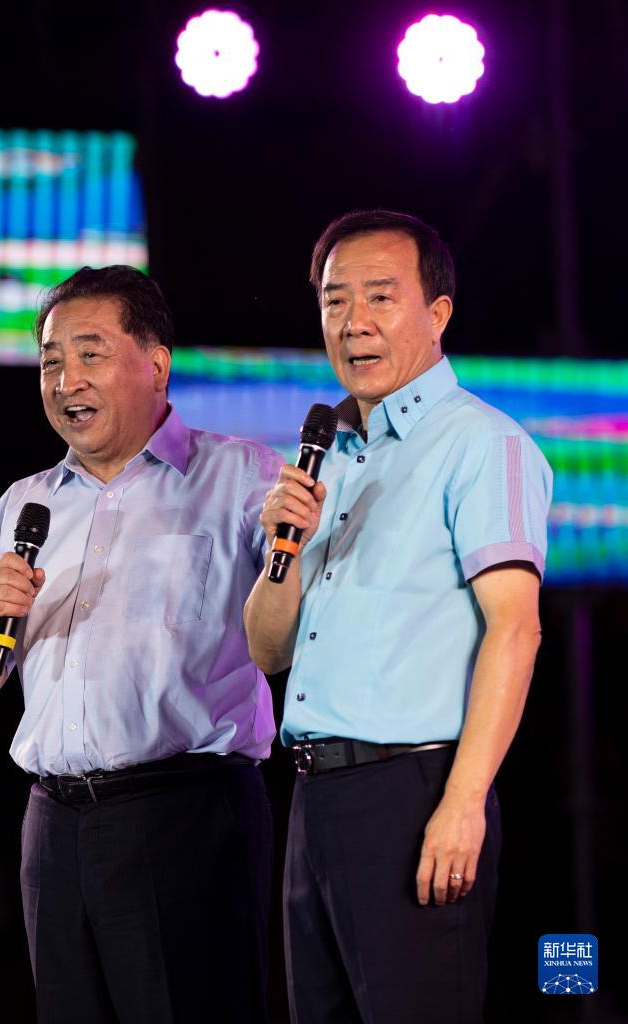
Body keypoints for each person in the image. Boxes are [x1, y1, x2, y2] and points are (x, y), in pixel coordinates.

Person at [0, 265, 282, 1024]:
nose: (66, 381)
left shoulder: (241, 477)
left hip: (185, 815)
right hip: (52, 826)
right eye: (51, 361)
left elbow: (289, 633)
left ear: (156, 362)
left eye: (89, 354)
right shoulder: (23, 506)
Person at [244, 209, 553, 1024]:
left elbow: (515, 629)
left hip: (414, 792)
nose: (353, 322)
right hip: (313, 796)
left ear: (437, 312)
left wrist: (463, 801)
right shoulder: (330, 460)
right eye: (334, 301)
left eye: (379, 297)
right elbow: (267, 651)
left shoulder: (479, 443)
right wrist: (283, 550)